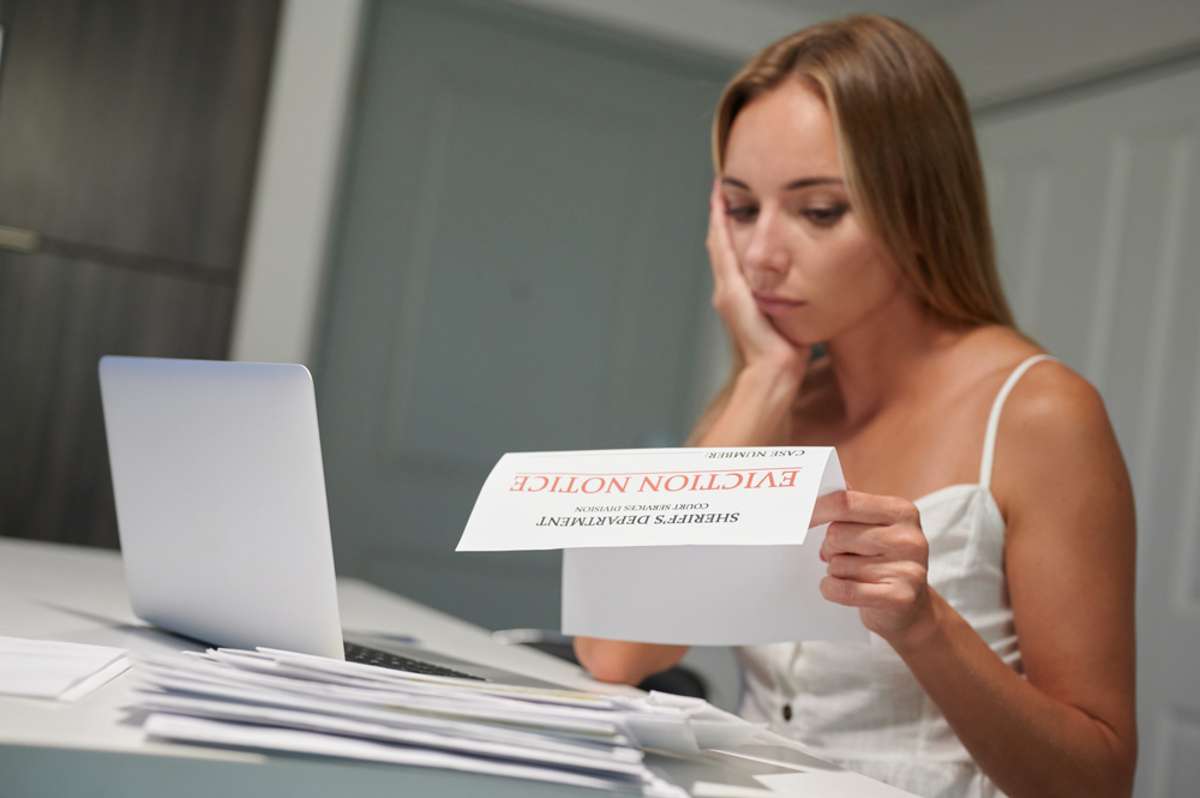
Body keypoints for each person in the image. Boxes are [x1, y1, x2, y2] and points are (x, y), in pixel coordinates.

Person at [573, 15, 1136, 798]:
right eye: (741, 209)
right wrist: (766, 378)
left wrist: (925, 628)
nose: (763, 255)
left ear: (916, 207)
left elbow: (1097, 782)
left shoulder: (1041, 413)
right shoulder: (771, 401)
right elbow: (615, 652)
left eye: (819, 211)